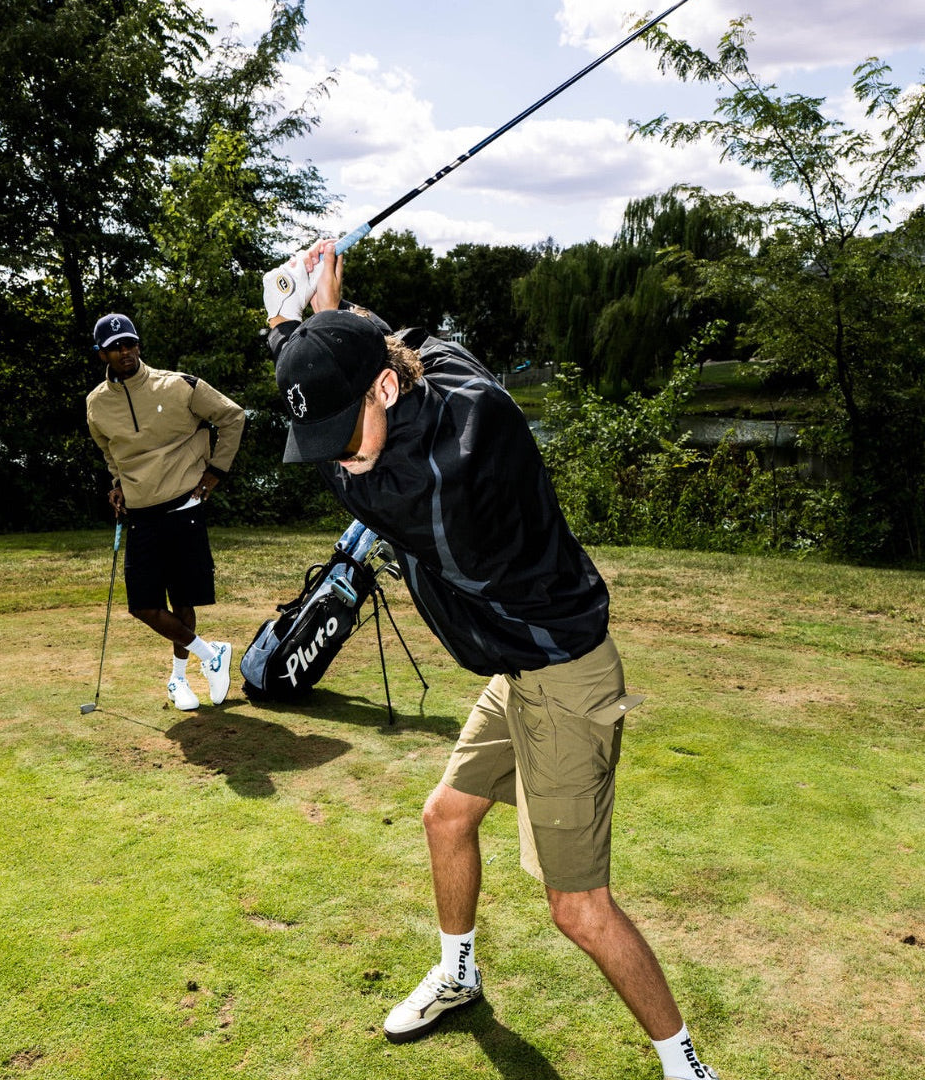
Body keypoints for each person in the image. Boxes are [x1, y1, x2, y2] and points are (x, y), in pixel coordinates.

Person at [261, 241, 721, 1080]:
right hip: (520, 668)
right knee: (446, 816)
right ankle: (459, 975)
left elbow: (357, 455)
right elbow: (390, 346)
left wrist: (304, 315)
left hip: (566, 680)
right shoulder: (448, 376)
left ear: (387, 389)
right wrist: (320, 317)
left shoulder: (425, 485)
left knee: (577, 908)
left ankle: (687, 1067)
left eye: (342, 432)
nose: (336, 456)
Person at [86, 313, 244, 710]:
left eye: (129, 343)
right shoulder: (96, 405)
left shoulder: (179, 385)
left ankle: (179, 681)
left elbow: (233, 416)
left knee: (183, 601)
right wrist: (118, 483)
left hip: (185, 506)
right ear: (101, 353)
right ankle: (213, 655)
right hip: (141, 514)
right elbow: (110, 451)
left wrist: (215, 472)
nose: (124, 351)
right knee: (143, 606)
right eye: (115, 346)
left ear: (138, 345)